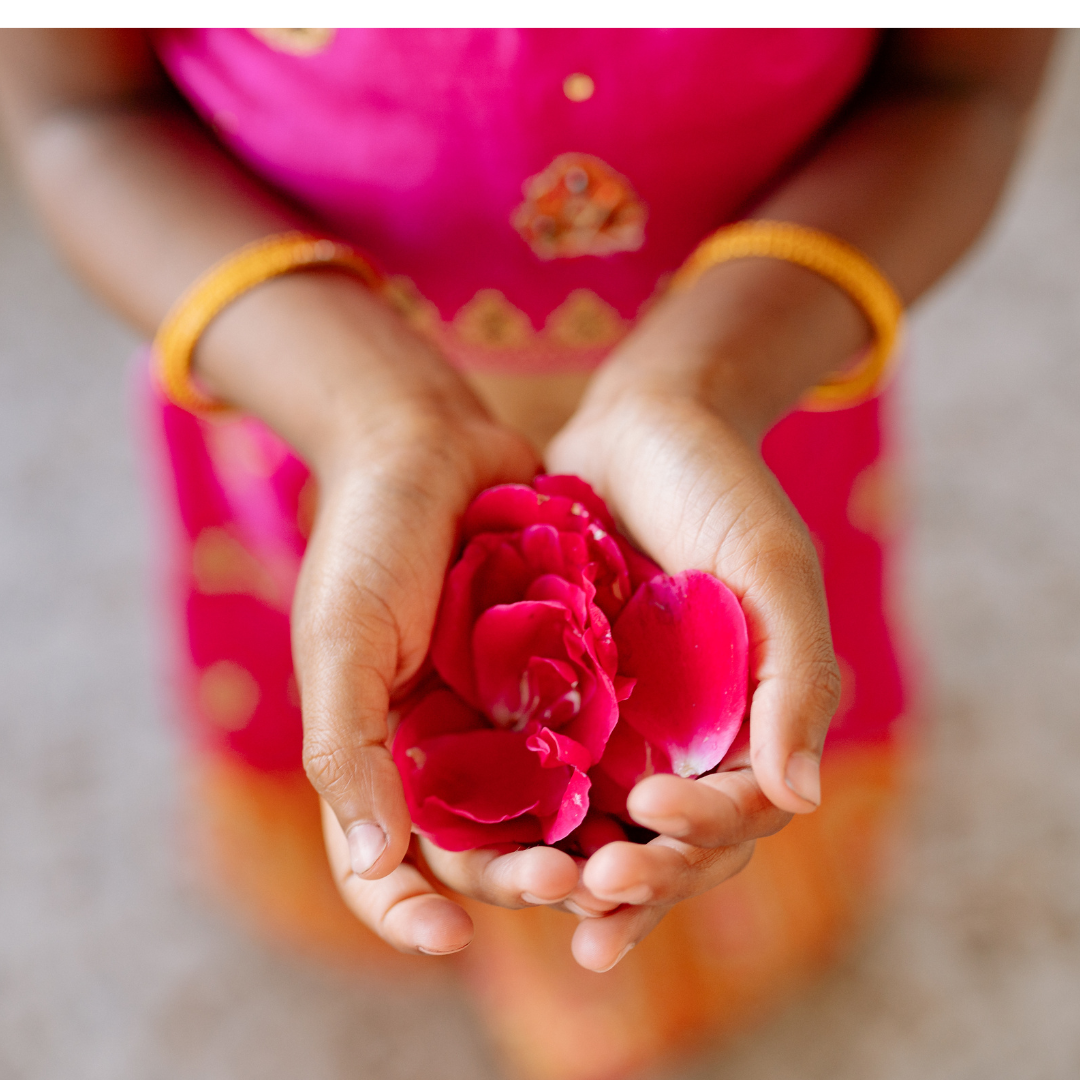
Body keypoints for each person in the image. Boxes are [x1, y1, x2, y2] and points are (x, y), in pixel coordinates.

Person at [0, 28, 1053, 1080]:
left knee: (677, 812)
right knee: (363, 700)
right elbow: (81, 117)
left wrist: (696, 387)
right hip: (301, 400)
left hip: (757, 392)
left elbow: (961, 87)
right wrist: (378, 418)